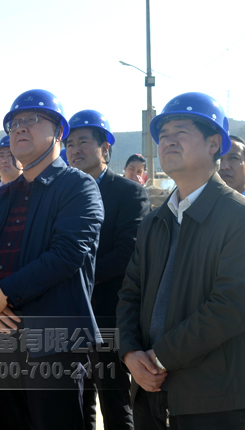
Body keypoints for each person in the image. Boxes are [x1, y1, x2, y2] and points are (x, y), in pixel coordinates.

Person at [0, 89, 104, 430]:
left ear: (59, 131)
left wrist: (4, 293)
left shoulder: (78, 187)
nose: (20, 127)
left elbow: (67, 254)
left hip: (53, 344)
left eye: (32, 119)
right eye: (14, 123)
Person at [117, 92, 245, 429]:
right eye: (163, 135)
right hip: (149, 393)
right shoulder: (154, 222)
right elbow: (130, 293)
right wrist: (130, 353)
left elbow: (231, 306)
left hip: (212, 400)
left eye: (180, 132)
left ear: (214, 143)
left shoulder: (237, 217)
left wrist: (160, 357)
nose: (168, 141)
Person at [66, 109, 151, 430]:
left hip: (108, 315)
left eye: (83, 142)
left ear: (105, 148)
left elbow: (128, 253)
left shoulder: (129, 193)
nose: (75, 149)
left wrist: (75, 279)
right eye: (69, 143)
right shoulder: (64, 193)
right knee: (78, 402)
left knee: (114, 402)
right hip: (69, 315)